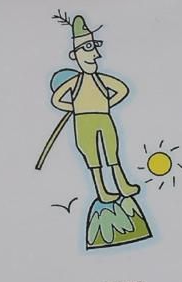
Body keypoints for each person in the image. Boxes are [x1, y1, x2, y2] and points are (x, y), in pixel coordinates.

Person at [50, 15, 143, 204]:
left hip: (104, 118)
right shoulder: (75, 81)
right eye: (88, 49)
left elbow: (122, 89)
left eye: (94, 48)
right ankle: (102, 191)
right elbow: (56, 99)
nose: (95, 55)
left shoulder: (100, 79)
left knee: (112, 152)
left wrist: (106, 103)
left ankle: (123, 186)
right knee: (92, 157)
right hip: (83, 122)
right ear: (75, 55)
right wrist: (75, 107)